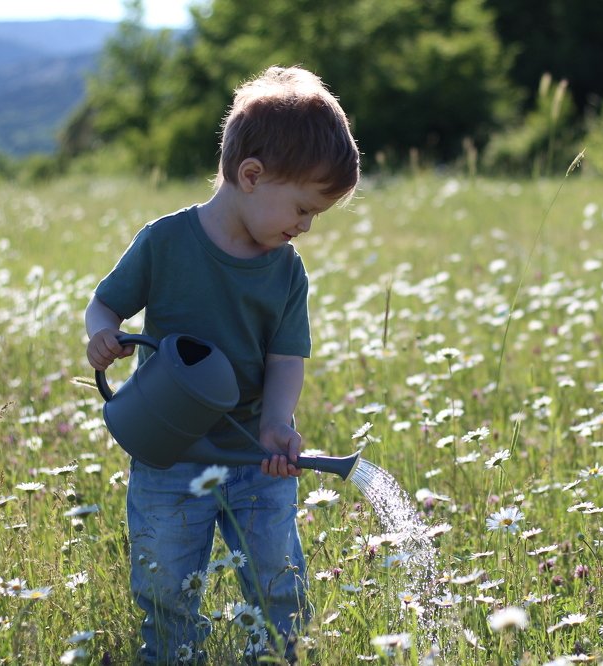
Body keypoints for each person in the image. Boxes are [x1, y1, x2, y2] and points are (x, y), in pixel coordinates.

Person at [84, 65, 360, 664]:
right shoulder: (165, 242)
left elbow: (287, 358)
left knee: (277, 585)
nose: (306, 228)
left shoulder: (285, 269)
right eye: (303, 209)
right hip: (169, 454)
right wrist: (103, 335)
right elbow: (105, 303)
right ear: (252, 176)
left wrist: (277, 424)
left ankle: (280, 655)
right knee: (164, 586)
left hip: (255, 459)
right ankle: (174, 655)